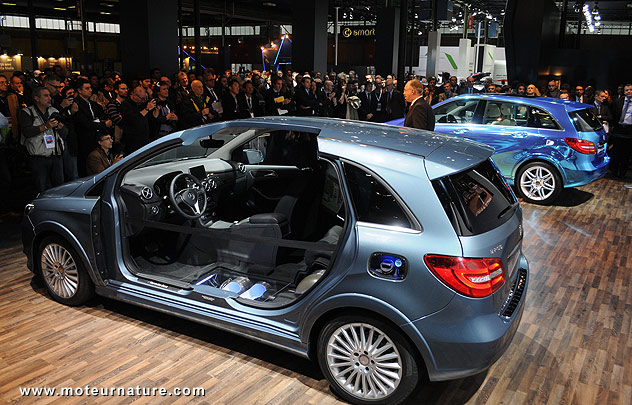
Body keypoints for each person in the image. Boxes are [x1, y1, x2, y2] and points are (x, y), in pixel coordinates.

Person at [19, 86, 68, 193]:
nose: (49, 98)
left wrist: (60, 128)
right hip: (38, 157)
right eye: (46, 96)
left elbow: (65, 134)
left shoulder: (54, 111)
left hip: (56, 156)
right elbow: (27, 132)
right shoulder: (27, 112)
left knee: (59, 187)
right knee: (41, 188)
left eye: (50, 95)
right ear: (37, 98)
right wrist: (45, 126)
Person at [73, 78, 112, 176]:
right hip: (84, 140)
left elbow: (102, 116)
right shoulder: (77, 104)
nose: (90, 90)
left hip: (96, 138)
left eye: (90, 88)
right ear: (79, 90)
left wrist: (104, 121)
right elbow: (84, 124)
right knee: (86, 166)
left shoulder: (93, 104)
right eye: (87, 88)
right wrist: (103, 124)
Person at [120, 85, 158, 154]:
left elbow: (150, 120)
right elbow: (134, 119)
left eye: (144, 98)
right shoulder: (125, 105)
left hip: (145, 140)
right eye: (142, 98)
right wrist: (147, 109)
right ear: (135, 95)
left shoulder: (142, 104)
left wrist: (155, 112)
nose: (143, 101)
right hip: (132, 142)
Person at [610, 83, 632, 178]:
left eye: (630, 90)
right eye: (627, 90)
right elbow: (613, 114)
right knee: (616, 153)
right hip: (618, 130)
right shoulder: (618, 101)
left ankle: (622, 173)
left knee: (626, 154)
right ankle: (614, 172)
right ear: (624, 92)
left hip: (629, 131)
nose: (629, 92)